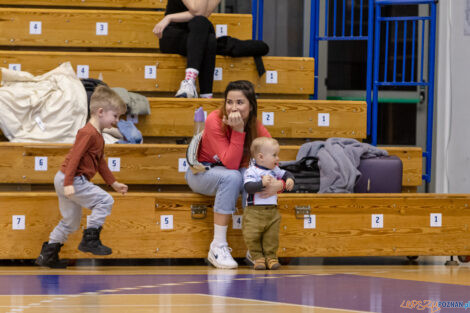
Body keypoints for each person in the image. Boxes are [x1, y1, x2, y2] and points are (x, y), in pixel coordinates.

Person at [185, 80, 284, 269]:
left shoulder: (256, 127)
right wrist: (238, 131)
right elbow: (230, 164)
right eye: (229, 102)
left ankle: (255, 249)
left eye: (240, 102)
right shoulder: (214, 119)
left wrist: (277, 183)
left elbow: (273, 161)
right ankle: (218, 246)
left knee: (253, 176)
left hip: (233, 176)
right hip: (202, 173)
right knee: (234, 176)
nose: (233, 107)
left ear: (251, 106)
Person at [35, 85, 128, 268]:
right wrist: (69, 183)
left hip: (65, 179)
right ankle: (90, 239)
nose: (116, 121)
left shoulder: (98, 135)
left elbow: (100, 162)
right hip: (71, 179)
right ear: (100, 112)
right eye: (115, 116)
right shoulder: (87, 133)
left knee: (70, 222)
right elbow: (74, 158)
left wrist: (114, 183)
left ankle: (48, 256)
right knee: (105, 201)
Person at [243, 137, 295, 270]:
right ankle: (258, 258)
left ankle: (271, 257)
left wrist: (289, 179)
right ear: (261, 157)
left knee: (271, 237)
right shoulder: (252, 171)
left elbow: (287, 173)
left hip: (272, 211)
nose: (277, 159)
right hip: (254, 212)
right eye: (274, 155)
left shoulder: (275, 170)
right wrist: (261, 184)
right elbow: (248, 187)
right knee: (252, 235)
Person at [153, 0, 220, 99]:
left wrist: (169, 17)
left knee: (208, 38)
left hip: (197, 35)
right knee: (207, 38)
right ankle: (191, 82)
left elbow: (202, 14)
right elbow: (198, 11)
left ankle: (205, 96)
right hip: (173, 33)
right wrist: (169, 18)